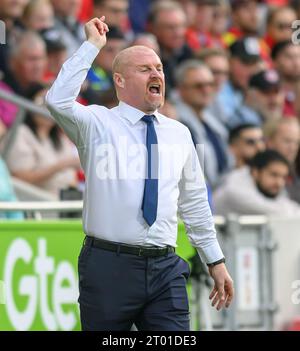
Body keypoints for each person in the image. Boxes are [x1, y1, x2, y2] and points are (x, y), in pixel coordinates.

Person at [46, 16, 233, 331]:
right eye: (144, 69)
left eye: (159, 68)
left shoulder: (179, 132)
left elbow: (195, 202)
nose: (156, 73)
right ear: (119, 80)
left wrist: (215, 260)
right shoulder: (97, 124)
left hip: (165, 266)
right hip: (108, 265)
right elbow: (57, 100)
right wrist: (92, 46)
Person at [7, 86, 79, 197]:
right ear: (29, 103)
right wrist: (60, 166)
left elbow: (72, 179)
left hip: (64, 202)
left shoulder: (60, 138)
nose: (47, 108)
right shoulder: (21, 133)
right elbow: (20, 178)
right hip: (36, 203)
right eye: (41, 101)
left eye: (52, 103)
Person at [172, 59, 229, 188]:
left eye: (210, 84)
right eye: (199, 86)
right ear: (181, 89)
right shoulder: (175, 122)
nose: (206, 90)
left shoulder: (212, 120)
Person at [213, 149, 300, 216]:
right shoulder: (234, 188)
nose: (279, 183)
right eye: (274, 175)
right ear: (255, 172)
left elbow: (284, 205)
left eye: (283, 177)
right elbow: (276, 212)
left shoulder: (269, 187)